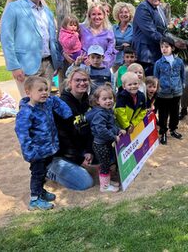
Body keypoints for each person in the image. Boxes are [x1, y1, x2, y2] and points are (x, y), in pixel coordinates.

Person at [15, 76, 72, 211]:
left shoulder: (46, 103)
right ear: (28, 92)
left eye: (46, 89)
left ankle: (41, 191)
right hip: (36, 152)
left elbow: (57, 102)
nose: (45, 92)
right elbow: (22, 133)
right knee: (37, 173)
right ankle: (35, 199)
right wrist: (30, 152)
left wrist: (67, 114)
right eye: (40, 90)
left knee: (44, 172)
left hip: (48, 148)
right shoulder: (26, 112)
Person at [1, 0, 63, 97]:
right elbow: (7, 39)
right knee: (30, 105)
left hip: (48, 65)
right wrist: (14, 67)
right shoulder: (14, 8)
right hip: (26, 67)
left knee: (46, 102)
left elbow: (52, 39)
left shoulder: (47, 12)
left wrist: (56, 62)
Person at [49, 68, 94, 191]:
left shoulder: (87, 101)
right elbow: (64, 138)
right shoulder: (62, 105)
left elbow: (90, 130)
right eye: (77, 80)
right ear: (70, 83)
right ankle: (49, 171)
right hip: (61, 153)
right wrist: (79, 160)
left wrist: (89, 151)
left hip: (80, 149)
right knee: (86, 183)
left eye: (85, 80)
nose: (82, 83)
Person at [86, 85, 126, 193]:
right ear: (97, 101)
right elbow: (101, 130)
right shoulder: (100, 114)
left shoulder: (107, 111)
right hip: (101, 144)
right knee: (104, 164)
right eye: (104, 99)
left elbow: (111, 125)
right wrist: (113, 136)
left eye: (110, 98)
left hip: (106, 143)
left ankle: (107, 181)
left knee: (106, 163)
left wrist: (118, 130)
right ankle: (104, 186)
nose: (108, 101)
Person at [154, 36, 185, 145]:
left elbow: (182, 75)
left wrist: (182, 86)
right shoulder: (158, 63)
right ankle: (163, 132)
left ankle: (173, 129)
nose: (164, 49)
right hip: (163, 93)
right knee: (163, 114)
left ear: (172, 48)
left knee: (175, 111)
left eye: (166, 47)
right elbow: (156, 77)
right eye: (162, 47)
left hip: (176, 91)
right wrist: (157, 89)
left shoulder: (179, 61)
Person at [132, 0, 168, 76]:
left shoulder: (159, 8)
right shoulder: (143, 8)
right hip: (146, 57)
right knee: (147, 85)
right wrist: (171, 42)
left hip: (157, 54)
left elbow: (164, 29)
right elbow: (151, 32)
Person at [80, 2, 117, 69]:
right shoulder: (82, 28)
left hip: (102, 67)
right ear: (89, 16)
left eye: (99, 14)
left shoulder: (109, 31)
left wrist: (100, 61)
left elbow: (110, 50)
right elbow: (76, 45)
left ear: (104, 15)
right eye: (93, 14)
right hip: (84, 65)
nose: (97, 17)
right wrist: (85, 59)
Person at [112, 2, 135, 72]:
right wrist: (120, 46)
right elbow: (110, 45)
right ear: (117, 14)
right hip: (116, 62)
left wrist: (130, 46)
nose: (123, 14)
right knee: (117, 81)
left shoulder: (134, 28)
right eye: (121, 12)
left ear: (130, 14)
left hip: (130, 62)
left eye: (126, 12)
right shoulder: (113, 28)